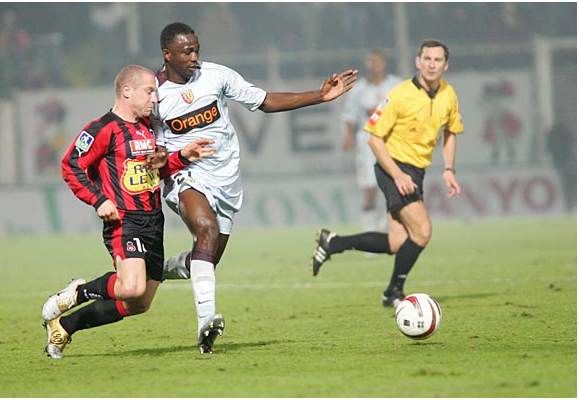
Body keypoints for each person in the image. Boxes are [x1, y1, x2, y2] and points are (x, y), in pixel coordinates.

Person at [147, 22, 357, 354]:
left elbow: (265, 101)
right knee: (205, 229)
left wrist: (320, 95)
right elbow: (148, 143)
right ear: (167, 54)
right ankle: (206, 322)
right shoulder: (153, 93)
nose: (194, 56)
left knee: (206, 257)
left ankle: (154, 270)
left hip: (226, 178)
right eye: (187, 51)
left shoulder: (216, 75)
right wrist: (164, 158)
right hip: (185, 174)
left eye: (197, 49)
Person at [41, 64, 215, 359]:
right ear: (126, 91)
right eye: (149, 92)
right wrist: (98, 200)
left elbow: (153, 171)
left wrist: (182, 157)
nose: (154, 99)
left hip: (154, 221)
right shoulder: (103, 129)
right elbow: (71, 165)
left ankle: (65, 326)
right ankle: (78, 292)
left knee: (139, 303)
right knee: (131, 288)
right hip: (125, 221)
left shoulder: (148, 128)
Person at [311, 39, 464, 308]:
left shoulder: (448, 94)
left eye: (437, 60)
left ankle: (333, 243)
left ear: (445, 65)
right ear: (418, 62)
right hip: (392, 166)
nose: (431, 64)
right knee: (423, 231)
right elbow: (374, 139)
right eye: (427, 59)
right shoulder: (400, 94)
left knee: (396, 242)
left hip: (416, 171)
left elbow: (451, 131)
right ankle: (393, 291)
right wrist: (398, 175)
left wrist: (449, 169)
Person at [341, 50, 402, 233]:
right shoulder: (358, 89)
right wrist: (348, 136)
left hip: (392, 140)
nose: (375, 64)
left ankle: (385, 224)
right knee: (369, 185)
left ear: (384, 63)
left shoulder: (396, 85)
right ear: (366, 64)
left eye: (378, 61)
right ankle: (369, 226)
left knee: (392, 182)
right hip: (366, 140)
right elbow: (349, 115)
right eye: (371, 61)